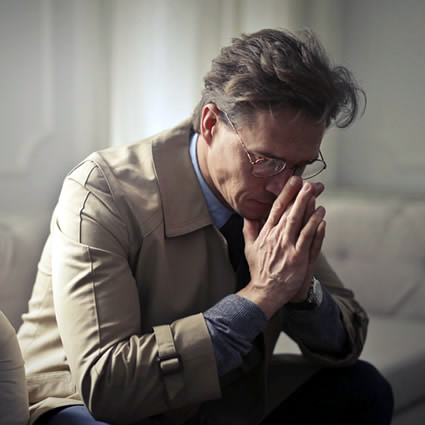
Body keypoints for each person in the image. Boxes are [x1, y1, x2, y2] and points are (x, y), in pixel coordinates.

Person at [17, 28, 393, 425]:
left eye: (300, 165)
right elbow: (108, 385)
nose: (283, 183)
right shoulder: (102, 190)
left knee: (362, 389)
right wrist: (262, 296)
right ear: (211, 124)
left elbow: (348, 340)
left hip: (215, 400)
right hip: (80, 403)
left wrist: (302, 293)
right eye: (266, 160)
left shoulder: (272, 196)